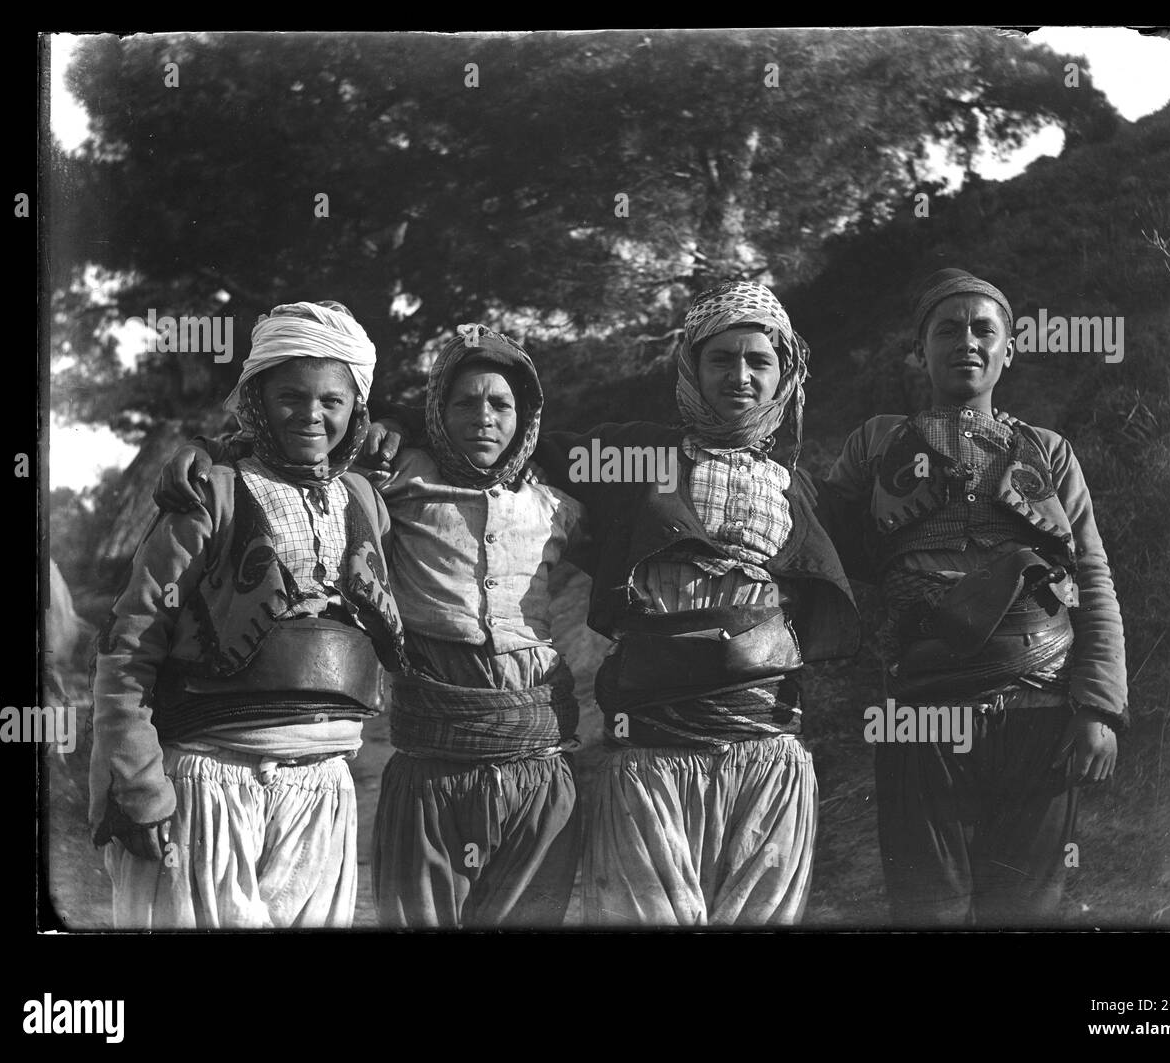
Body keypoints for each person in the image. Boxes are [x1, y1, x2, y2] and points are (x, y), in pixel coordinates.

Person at [366, 282, 858, 925]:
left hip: (767, 747)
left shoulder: (803, 489)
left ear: (785, 372)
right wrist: (395, 423)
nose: (739, 375)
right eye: (720, 359)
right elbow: (516, 431)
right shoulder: (636, 456)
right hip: (653, 747)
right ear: (690, 367)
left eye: (759, 361)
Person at [157, 326, 588, 928]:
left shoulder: (560, 506)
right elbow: (299, 443)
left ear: (527, 416)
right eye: (464, 402)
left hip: (538, 756)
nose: (483, 418)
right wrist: (208, 449)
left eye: (501, 404)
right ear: (437, 410)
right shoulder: (393, 478)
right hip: (431, 762)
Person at [821, 268, 1127, 927]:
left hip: (1040, 708)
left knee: (1024, 908)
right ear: (919, 350)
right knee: (925, 908)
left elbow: (1092, 580)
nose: (967, 341)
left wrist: (1097, 705)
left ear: (1008, 349)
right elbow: (821, 542)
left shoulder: (1048, 451)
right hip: (922, 714)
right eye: (947, 329)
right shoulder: (877, 442)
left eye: (984, 329)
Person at [89, 300, 405, 929]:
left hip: (324, 788)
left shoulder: (367, 497)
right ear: (256, 397)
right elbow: (129, 649)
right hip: (211, 784)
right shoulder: (209, 493)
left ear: (357, 410)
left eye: (332, 402)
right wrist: (142, 785)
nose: (311, 414)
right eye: (290, 395)